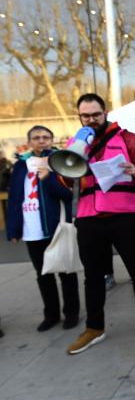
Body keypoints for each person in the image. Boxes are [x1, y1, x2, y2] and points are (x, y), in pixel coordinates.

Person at [65, 93, 135, 354]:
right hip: (88, 218)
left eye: (95, 114)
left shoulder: (127, 138)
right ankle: (94, 327)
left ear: (105, 112)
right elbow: (65, 181)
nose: (91, 119)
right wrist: (60, 172)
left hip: (124, 216)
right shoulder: (74, 142)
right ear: (79, 116)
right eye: (85, 115)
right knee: (92, 276)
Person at [6, 125, 80, 331]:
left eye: (46, 137)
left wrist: (48, 178)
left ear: (52, 140)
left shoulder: (59, 161)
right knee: (43, 274)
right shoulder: (20, 165)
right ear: (29, 142)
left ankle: (71, 313)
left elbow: (67, 195)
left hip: (55, 227)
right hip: (32, 230)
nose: (41, 140)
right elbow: (14, 199)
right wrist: (13, 229)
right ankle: (51, 315)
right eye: (36, 137)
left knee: (65, 271)